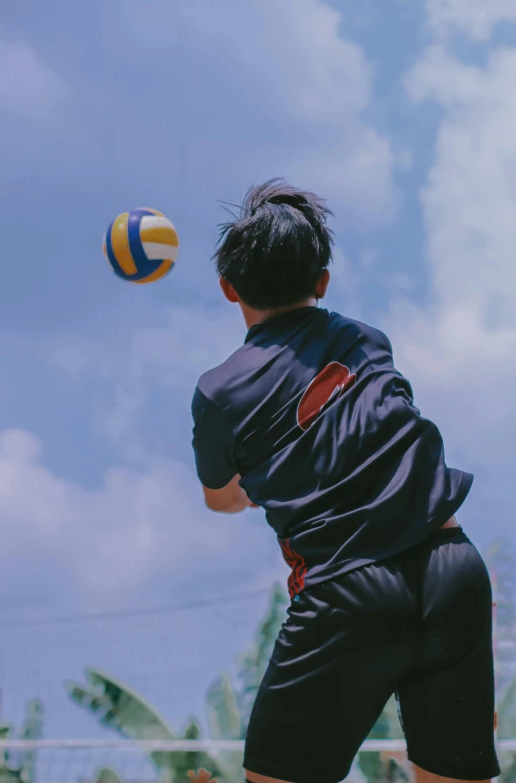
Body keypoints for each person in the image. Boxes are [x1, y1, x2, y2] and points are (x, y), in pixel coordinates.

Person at [190, 179, 499, 783]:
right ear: (323, 282)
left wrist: (263, 473)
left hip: (351, 588)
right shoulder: (366, 340)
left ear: (228, 289)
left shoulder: (219, 391)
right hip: (452, 567)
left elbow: (220, 498)